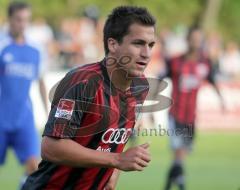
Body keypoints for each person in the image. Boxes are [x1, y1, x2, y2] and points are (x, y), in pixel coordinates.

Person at [22, 6, 156, 190]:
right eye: (138, 43)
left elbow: (113, 140)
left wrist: (113, 171)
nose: (146, 53)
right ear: (113, 44)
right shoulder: (83, 82)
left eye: (151, 45)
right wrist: (116, 160)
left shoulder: (140, 87)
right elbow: (50, 147)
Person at [158, 27, 224, 190]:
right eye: (193, 38)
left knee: (180, 157)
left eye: (199, 39)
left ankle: (167, 185)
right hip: (175, 115)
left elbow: (212, 79)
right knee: (178, 152)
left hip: (191, 118)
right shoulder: (175, 61)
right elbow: (160, 77)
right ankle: (182, 185)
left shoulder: (205, 62)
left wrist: (221, 98)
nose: (196, 42)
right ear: (187, 40)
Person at [0, 1, 48, 188]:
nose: (22, 24)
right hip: (1, 118)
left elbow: (41, 81)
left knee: (34, 168)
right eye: (18, 20)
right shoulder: (2, 45)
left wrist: (48, 113)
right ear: (10, 19)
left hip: (24, 119)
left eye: (26, 20)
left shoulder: (36, 50)